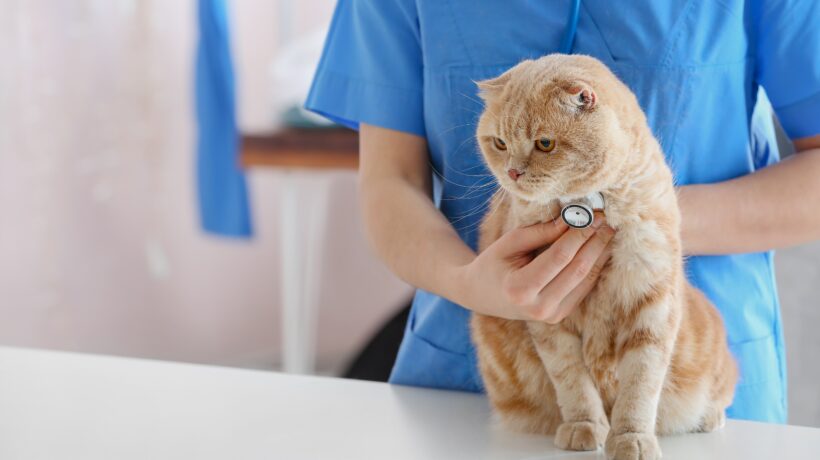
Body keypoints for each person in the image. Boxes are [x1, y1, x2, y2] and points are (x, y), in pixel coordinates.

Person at [305, 0, 820, 423]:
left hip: (683, 379)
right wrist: (466, 282)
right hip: (476, 380)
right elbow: (389, 180)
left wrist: (639, 222)